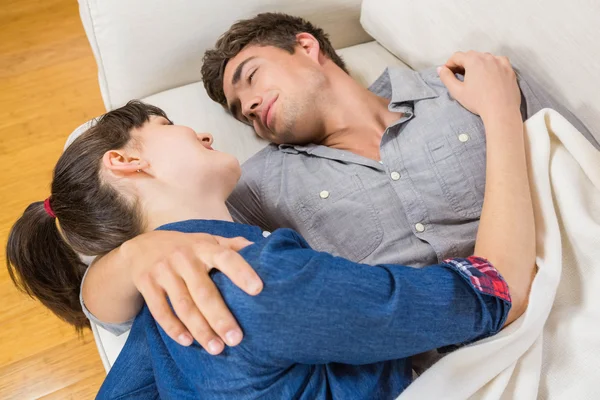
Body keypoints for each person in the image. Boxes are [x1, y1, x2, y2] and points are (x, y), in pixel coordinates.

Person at [82, 13, 597, 355]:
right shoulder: (258, 187)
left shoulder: (467, 90)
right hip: (439, 361)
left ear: (306, 47)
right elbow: (116, 316)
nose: (251, 109)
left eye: (252, 77)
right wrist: (135, 255)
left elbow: (582, 167)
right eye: (242, 113)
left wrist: (498, 107)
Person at [7, 87, 534, 397]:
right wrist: (502, 111)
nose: (206, 132)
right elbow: (495, 291)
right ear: (126, 161)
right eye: (167, 123)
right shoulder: (257, 278)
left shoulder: (160, 309)